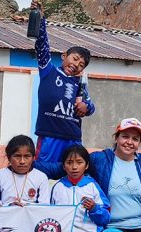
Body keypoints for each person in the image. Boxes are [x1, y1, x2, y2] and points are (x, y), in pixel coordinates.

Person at [30, 1, 95, 163]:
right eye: (75, 59)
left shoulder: (79, 85)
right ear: (64, 56)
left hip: (73, 138)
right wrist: (40, 19)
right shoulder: (48, 71)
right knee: (42, 174)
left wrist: (86, 107)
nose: (76, 65)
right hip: (49, 137)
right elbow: (42, 45)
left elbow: (91, 106)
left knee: (73, 176)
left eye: (81, 65)